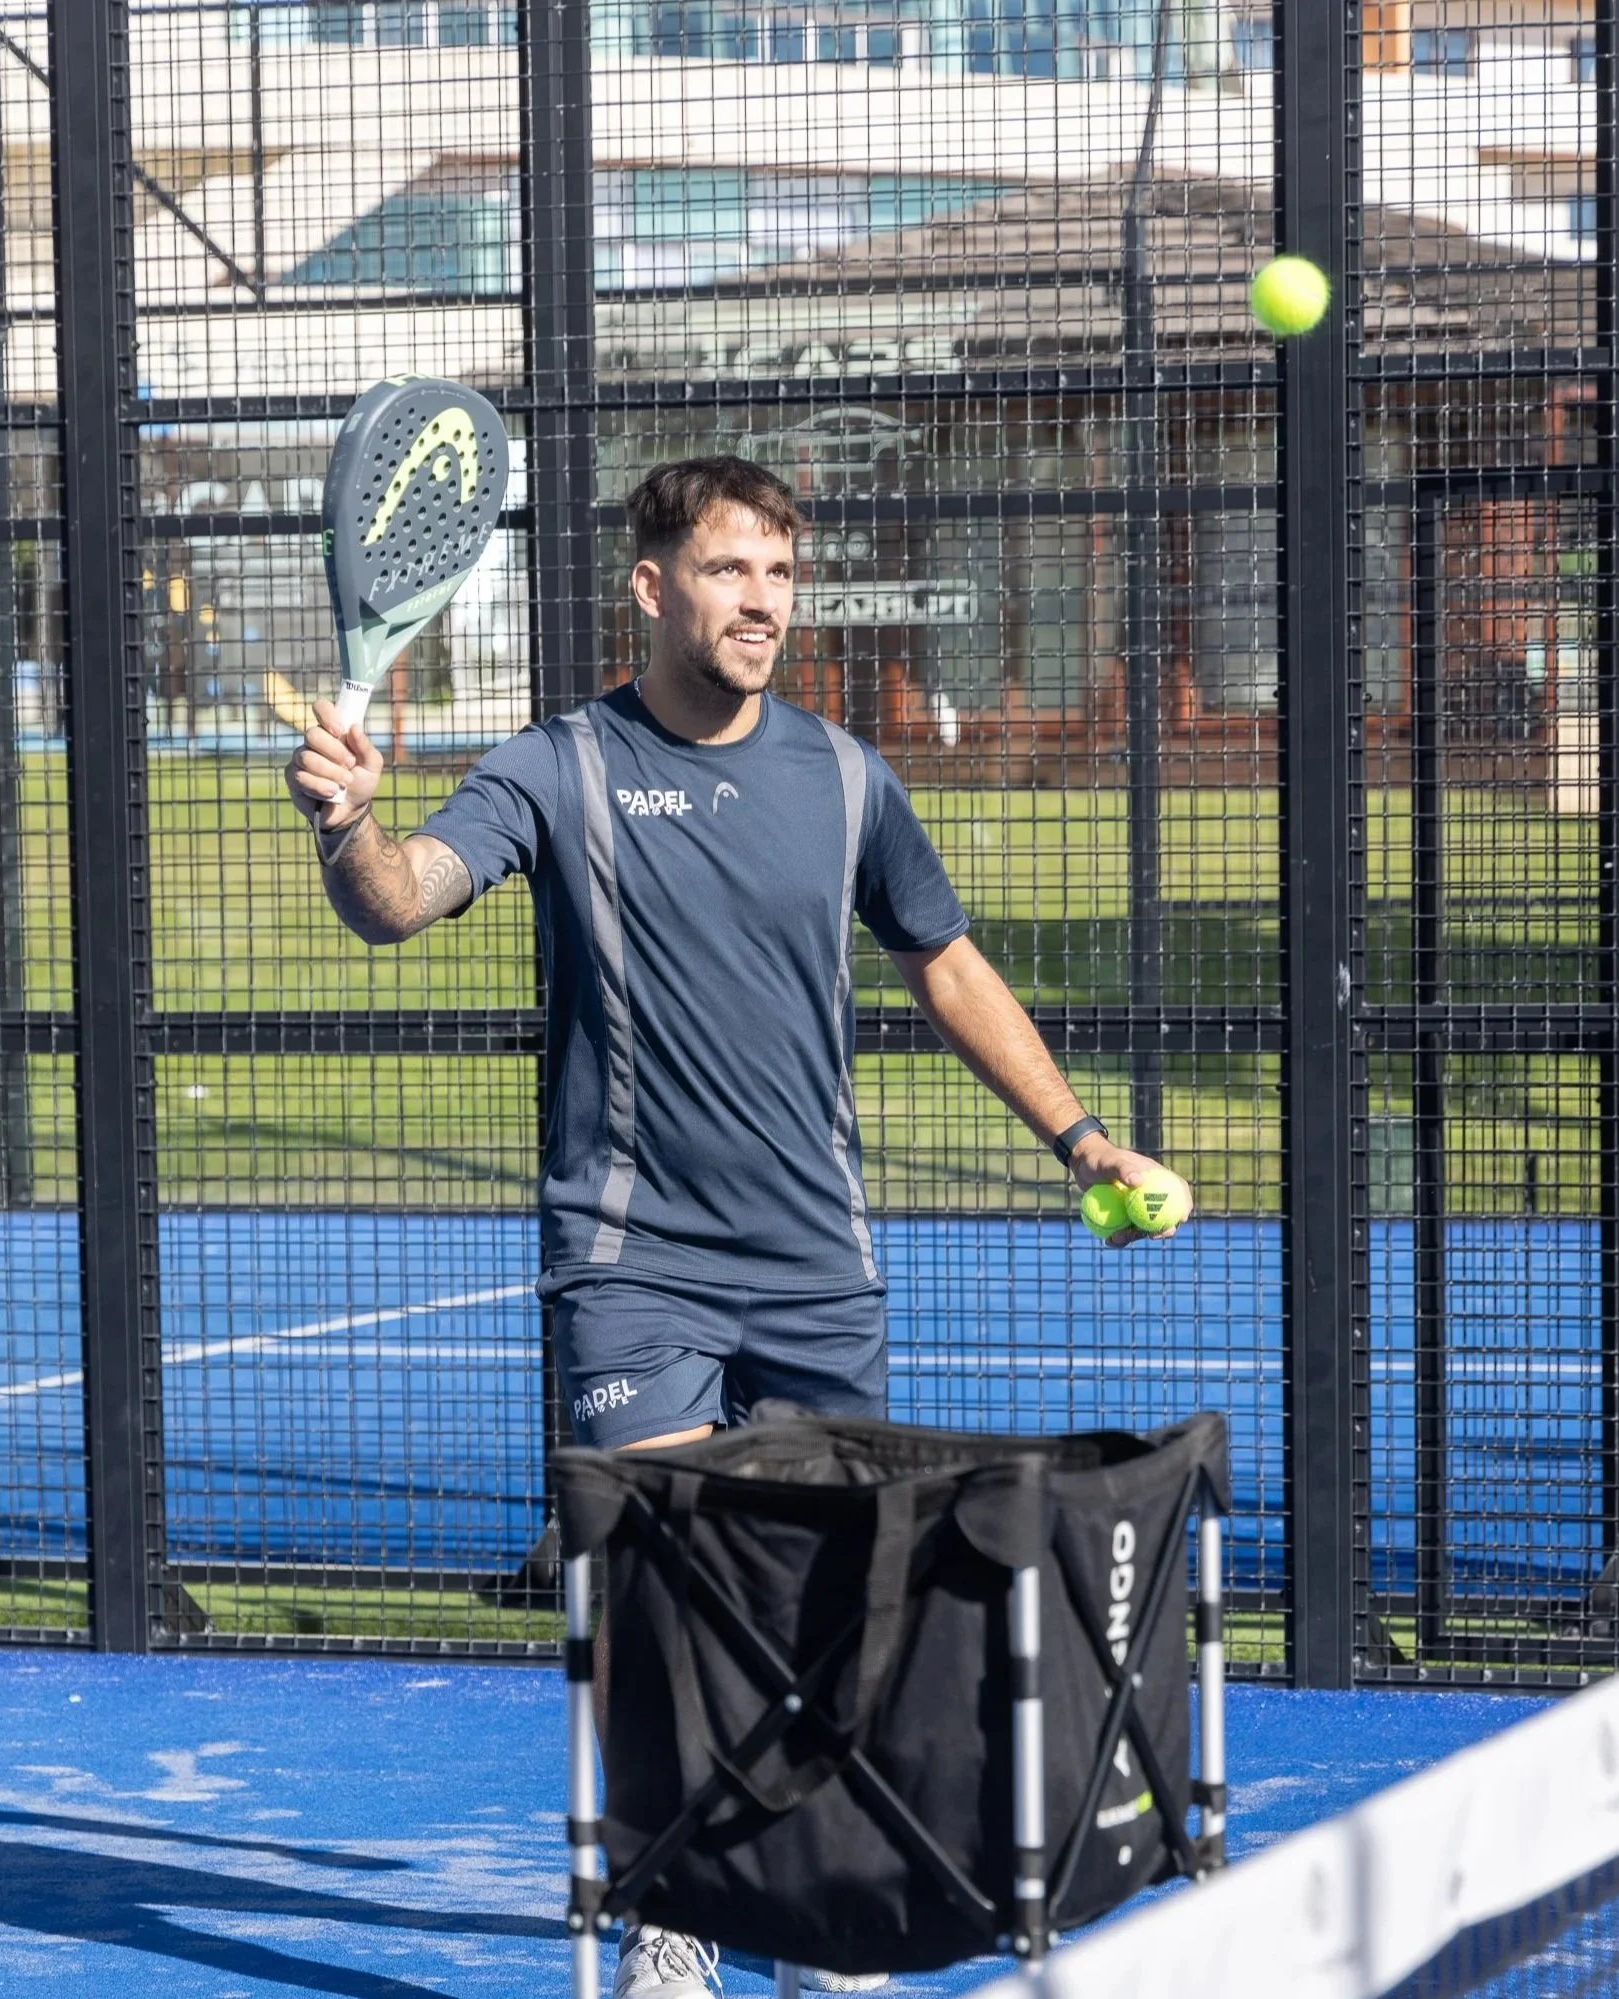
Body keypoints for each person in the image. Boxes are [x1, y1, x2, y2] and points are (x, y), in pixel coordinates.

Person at [286, 455, 1191, 1998]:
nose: (762, 601)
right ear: (651, 587)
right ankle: (678, 1910)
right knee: (660, 1594)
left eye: (779, 572)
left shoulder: (846, 778)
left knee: (833, 1616)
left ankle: (815, 1913)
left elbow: (945, 961)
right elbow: (400, 897)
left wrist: (1081, 1136)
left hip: (815, 1270)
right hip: (633, 1266)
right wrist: (346, 827)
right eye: (728, 571)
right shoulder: (557, 766)